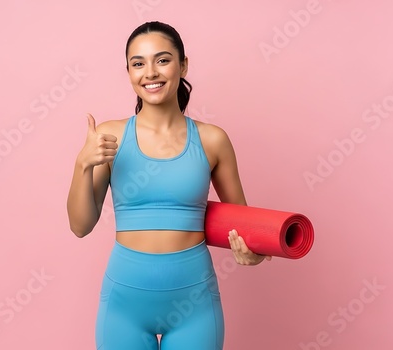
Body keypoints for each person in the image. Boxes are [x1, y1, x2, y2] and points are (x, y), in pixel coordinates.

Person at [67, 21, 271, 350]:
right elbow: (80, 226)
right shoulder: (110, 136)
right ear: (129, 72)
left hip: (195, 305)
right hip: (124, 306)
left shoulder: (212, 140)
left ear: (183, 64)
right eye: (138, 63)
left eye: (162, 60)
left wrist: (254, 254)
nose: (150, 72)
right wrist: (83, 164)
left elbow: (243, 228)